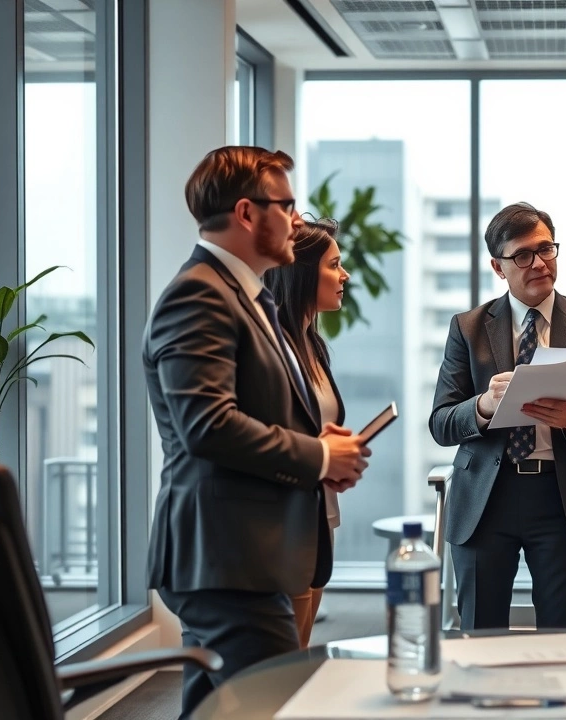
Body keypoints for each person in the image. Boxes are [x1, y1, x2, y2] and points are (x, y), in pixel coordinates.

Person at [143, 146, 371, 717]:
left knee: (222, 710)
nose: (297, 220)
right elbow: (208, 425)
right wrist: (318, 457)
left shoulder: (250, 297)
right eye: (287, 206)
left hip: (247, 554)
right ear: (247, 213)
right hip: (227, 556)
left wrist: (323, 451)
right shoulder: (199, 294)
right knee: (265, 707)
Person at [429, 201, 566, 630]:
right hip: (486, 497)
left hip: (563, 500)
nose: (539, 263)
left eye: (546, 249)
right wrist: (483, 406)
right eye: (523, 255)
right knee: (480, 636)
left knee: (565, 636)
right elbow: (442, 423)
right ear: (499, 268)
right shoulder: (468, 328)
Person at [263, 219, 351, 648]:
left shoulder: (312, 344)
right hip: (284, 520)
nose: (345, 275)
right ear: (302, 273)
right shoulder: (272, 347)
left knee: (298, 647)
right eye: (335, 265)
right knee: (280, 658)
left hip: (320, 511)